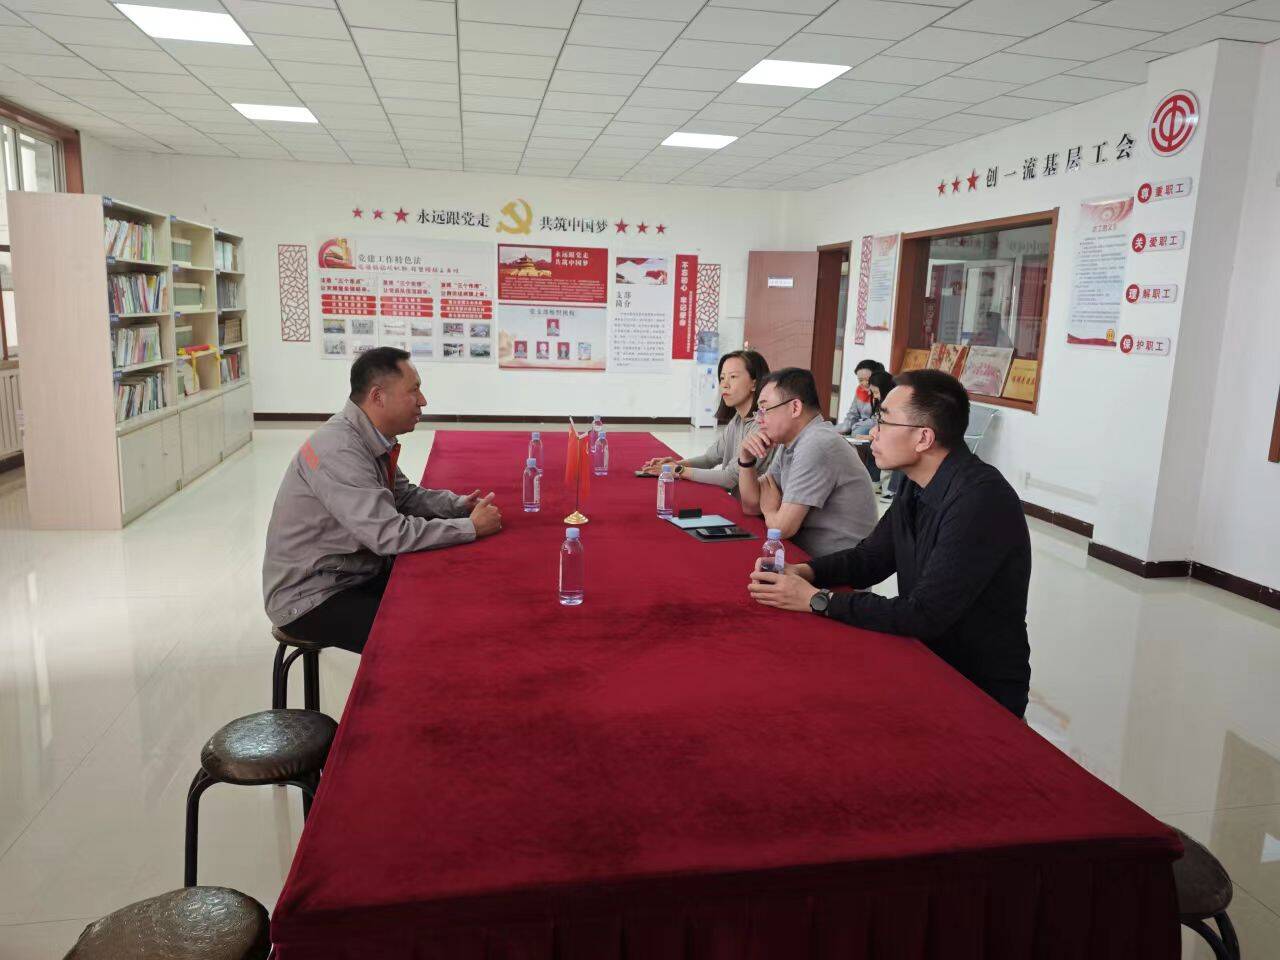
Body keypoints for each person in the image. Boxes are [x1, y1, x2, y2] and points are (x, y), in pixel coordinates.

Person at [747, 369, 1032, 718]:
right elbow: (871, 558)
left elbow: (924, 614)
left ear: (924, 437)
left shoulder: (980, 500)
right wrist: (803, 571)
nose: (873, 432)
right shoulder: (916, 482)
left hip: (975, 688)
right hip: (924, 659)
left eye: (884, 421)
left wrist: (817, 600)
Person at [262, 347, 503, 653]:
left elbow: (404, 495)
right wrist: (470, 528)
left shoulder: (367, 436)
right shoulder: (340, 449)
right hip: (313, 595)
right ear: (378, 397)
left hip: (353, 572)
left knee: (447, 589)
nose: (423, 400)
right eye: (413, 390)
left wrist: (457, 506)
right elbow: (388, 535)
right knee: (429, 634)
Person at [738, 367, 878, 557]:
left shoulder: (817, 443)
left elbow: (782, 528)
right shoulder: (792, 442)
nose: (759, 419)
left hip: (839, 566)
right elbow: (751, 505)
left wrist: (770, 510)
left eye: (764, 409)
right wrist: (746, 459)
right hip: (809, 556)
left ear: (795, 408)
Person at [639, 350, 775, 493]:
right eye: (722, 378)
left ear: (754, 384)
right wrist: (673, 465)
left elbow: (730, 478)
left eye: (733, 377)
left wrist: (679, 470)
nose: (724, 384)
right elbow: (709, 459)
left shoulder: (763, 426)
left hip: (755, 506)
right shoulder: (737, 420)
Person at [836, 358, 883, 435]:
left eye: (868, 379)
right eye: (861, 380)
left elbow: (877, 419)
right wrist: (846, 426)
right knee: (834, 430)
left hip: (873, 426)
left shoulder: (880, 392)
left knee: (858, 432)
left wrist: (857, 426)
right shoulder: (860, 391)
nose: (864, 383)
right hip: (859, 425)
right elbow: (853, 413)